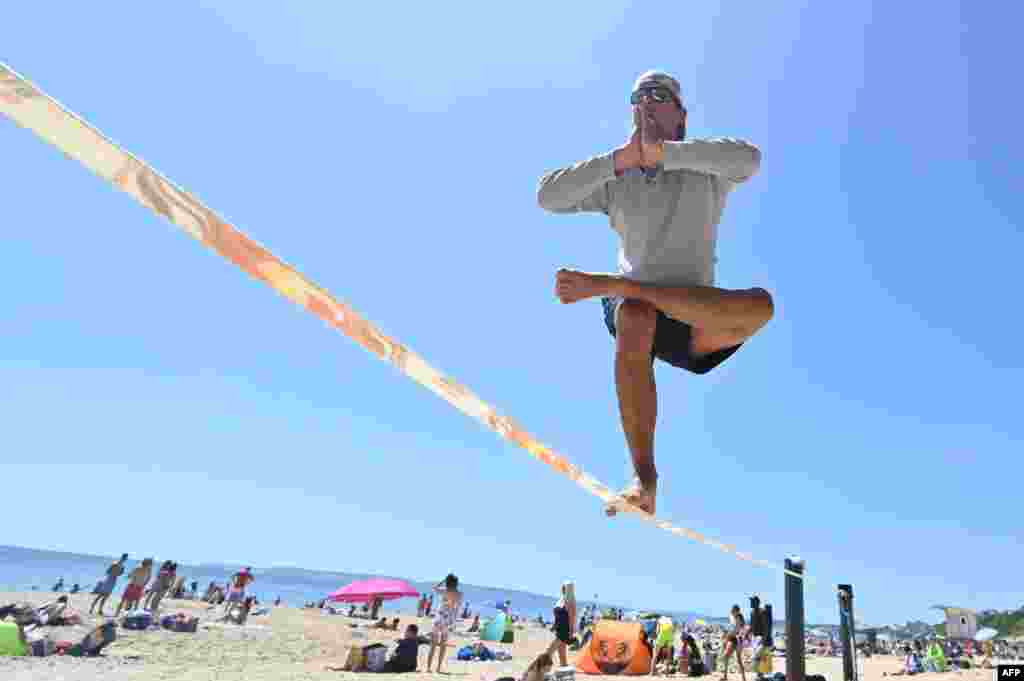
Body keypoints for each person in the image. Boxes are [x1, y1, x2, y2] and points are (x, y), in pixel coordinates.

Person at [537, 70, 769, 516]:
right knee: (636, 313)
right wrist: (620, 160)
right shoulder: (616, 179)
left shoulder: (706, 171)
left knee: (762, 307)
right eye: (638, 96)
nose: (646, 102)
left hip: (692, 315)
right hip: (637, 315)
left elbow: (750, 159)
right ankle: (645, 481)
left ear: (681, 117)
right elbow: (548, 196)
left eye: (659, 95)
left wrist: (666, 153)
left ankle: (613, 285)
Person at [426, 573, 462, 674]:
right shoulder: (459, 594)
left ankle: (428, 667)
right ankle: (438, 667)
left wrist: (442, 581)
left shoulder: (444, 591)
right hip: (449, 620)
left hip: (440, 617)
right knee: (443, 644)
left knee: (433, 643)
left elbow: (434, 588)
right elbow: (458, 608)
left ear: (448, 582)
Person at [548, 581, 577, 667]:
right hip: (558, 629)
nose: (562, 589)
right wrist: (554, 625)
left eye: (565, 587)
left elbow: (572, 618)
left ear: (569, 589)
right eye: (563, 587)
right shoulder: (561, 600)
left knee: (549, 650)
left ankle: (539, 667)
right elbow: (558, 615)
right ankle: (564, 669)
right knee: (561, 653)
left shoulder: (570, 601)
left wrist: (571, 633)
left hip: (564, 630)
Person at [721, 605, 747, 681]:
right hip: (736, 639)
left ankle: (726, 677)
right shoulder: (734, 617)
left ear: (737, 611)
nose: (731, 611)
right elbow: (733, 629)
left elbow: (736, 630)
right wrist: (727, 634)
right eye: (732, 610)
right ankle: (743, 678)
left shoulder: (738, 618)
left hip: (736, 639)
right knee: (733, 658)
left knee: (728, 657)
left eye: (733, 610)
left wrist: (727, 636)